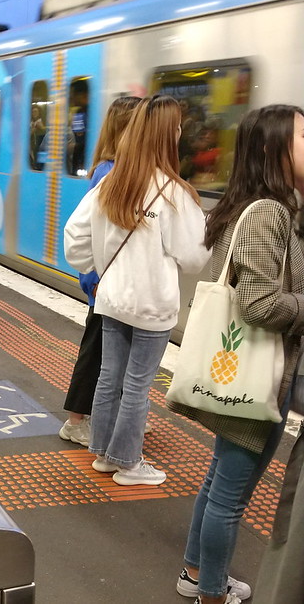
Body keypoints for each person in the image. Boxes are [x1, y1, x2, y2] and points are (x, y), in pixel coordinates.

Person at [168, 105, 304, 604]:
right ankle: (209, 591)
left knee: (220, 480)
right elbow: (261, 301)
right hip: (256, 370)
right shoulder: (269, 211)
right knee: (230, 494)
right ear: (274, 150)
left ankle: (195, 572)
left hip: (250, 369)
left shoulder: (260, 204)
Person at [64, 94, 209, 487]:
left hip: (111, 300)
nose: (181, 132)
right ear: (168, 135)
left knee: (111, 378)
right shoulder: (173, 192)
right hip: (152, 306)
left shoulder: (113, 181)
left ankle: (104, 456)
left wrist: (94, 266)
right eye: (178, 127)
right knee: (137, 385)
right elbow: (195, 259)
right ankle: (128, 463)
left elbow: (74, 237)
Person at [59, 96, 140, 447]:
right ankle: (75, 420)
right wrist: (94, 277)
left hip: (110, 279)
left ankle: (112, 412)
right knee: (96, 348)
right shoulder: (109, 172)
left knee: (109, 349)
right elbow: (89, 232)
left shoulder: (113, 167)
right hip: (103, 281)